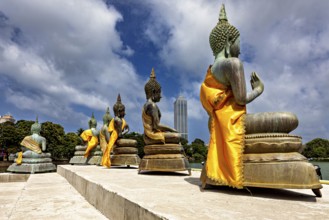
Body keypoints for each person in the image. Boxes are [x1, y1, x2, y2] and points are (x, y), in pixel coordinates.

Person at [200, 4, 264, 188]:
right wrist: (259, 89)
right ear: (229, 41)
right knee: (288, 119)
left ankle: (215, 171)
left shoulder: (210, 71)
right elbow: (241, 99)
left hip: (215, 124)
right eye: (238, 42)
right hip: (232, 124)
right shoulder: (233, 64)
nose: (240, 48)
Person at [142, 68, 181, 145]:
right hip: (151, 135)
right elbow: (156, 126)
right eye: (159, 93)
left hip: (148, 135)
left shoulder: (146, 104)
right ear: (153, 92)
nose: (160, 96)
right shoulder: (152, 105)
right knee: (177, 136)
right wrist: (172, 130)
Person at [101, 94, 129, 168]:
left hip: (114, 137)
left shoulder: (115, 119)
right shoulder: (118, 120)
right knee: (133, 142)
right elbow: (120, 135)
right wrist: (127, 130)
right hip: (116, 137)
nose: (125, 113)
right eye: (123, 111)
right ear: (119, 111)